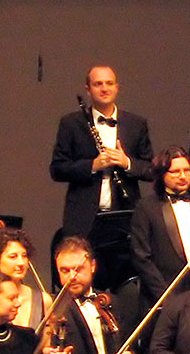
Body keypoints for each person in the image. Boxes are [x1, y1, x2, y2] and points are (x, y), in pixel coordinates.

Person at [49, 66, 153, 247]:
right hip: (83, 217)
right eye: (98, 84)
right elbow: (57, 169)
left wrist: (127, 162)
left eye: (109, 83)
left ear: (117, 87)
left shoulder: (136, 124)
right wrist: (92, 165)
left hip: (124, 214)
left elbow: (151, 169)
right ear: (88, 89)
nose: (104, 88)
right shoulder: (71, 123)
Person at [130, 146, 190, 310]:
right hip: (161, 297)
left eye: (187, 170)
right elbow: (141, 256)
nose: (182, 176)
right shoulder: (146, 207)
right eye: (175, 171)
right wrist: (165, 296)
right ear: (162, 174)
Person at [0, 229, 51, 333]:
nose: (21, 263)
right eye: (13, 257)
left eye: (24, 256)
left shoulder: (44, 300)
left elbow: (47, 340)